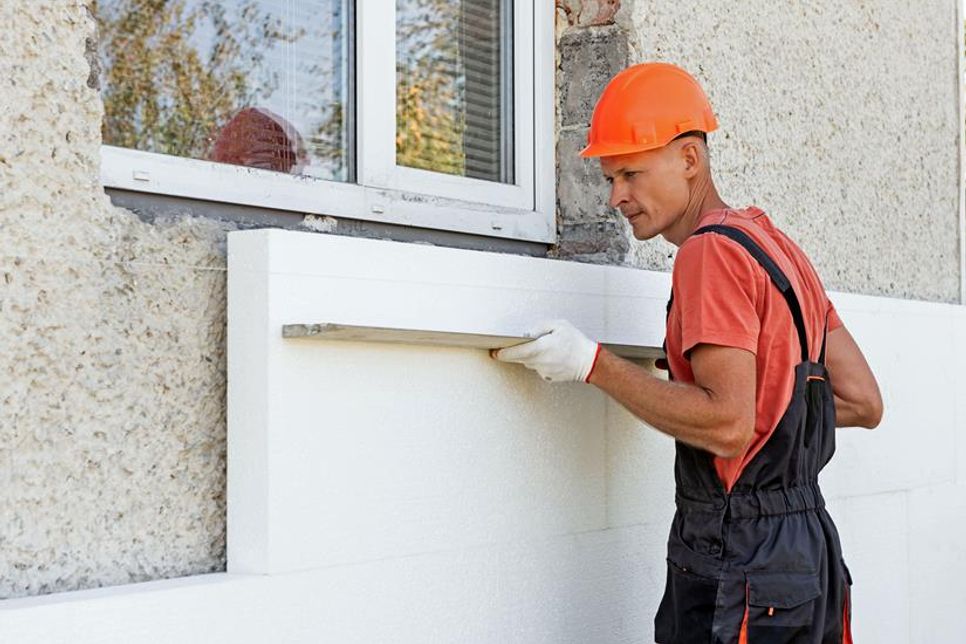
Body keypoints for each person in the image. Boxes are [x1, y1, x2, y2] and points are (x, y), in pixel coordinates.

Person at [490, 62, 882, 643]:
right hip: (806, 558)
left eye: (631, 174)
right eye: (608, 179)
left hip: (741, 562)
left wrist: (591, 364)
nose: (617, 196)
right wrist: (715, 388)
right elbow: (861, 400)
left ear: (690, 160)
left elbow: (728, 426)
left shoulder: (710, 254)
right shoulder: (776, 248)